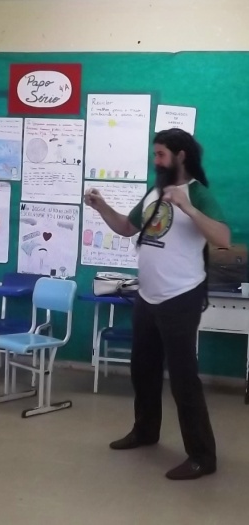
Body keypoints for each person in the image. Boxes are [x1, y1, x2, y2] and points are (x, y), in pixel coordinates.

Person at [84, 128, 230, 480]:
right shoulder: (154, 192)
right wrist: (101, 206)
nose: (156, 161)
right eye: (155, 154)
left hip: (181, 296)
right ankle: (146, 431)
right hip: (147, 296)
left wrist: (186, 206)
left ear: (181, 155)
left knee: (183, 379)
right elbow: (126, 227)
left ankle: (202, 456)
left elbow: (223, 238)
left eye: (161, 154)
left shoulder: (198, 193)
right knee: (143, 369)